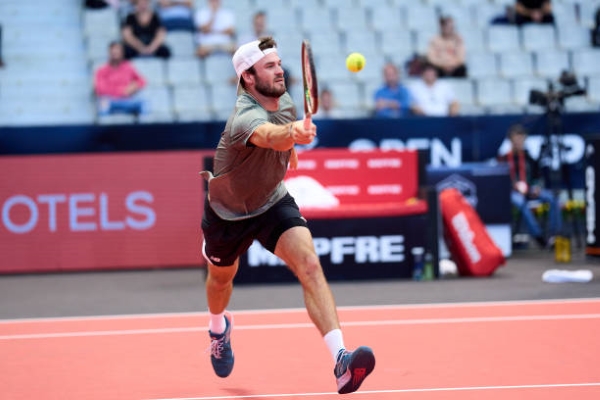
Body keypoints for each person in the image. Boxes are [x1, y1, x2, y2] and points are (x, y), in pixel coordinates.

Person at [199, 37, 375, 394]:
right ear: (248, 77)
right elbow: (267, 134)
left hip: (271, 201)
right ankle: (218, 329)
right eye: (269, 66)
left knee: (309, 264)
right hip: (227, 212)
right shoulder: (243, 116)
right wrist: (292, 134)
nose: (279, 69)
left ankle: (341, 359)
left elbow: (281, 139)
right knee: (221, 280)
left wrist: (290, 145)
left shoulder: (287, 101)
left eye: (279, 63)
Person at [497, 124, 562, 248]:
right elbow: (500, 181)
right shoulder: (503, 159)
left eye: (521, 139)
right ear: (511, 140)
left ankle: (555, 236)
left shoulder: (528, 157)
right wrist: (514, 187)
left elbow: (537, 177)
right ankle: (538, 236)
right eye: (516, 139)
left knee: (553, 198)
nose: (519, 142)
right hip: (511, 191)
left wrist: (536, 187)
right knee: (521, 202)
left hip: (529, 188)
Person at [94, 41, 147, 116]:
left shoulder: (128, 67)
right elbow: (100, 90)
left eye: (117, 51)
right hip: (111, 101)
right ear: (109, 53)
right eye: (113, 52)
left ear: (122, 53)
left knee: (144, 102)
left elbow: (142, 81)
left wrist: (134, 86)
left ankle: (144, 127)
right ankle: (104, 127)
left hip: (126, 100)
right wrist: (121, 91)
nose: (115, 53)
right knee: (103, 103)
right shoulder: (101, 70)